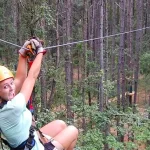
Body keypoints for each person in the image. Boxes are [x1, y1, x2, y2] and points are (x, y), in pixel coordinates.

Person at [0, 38, 78, 150]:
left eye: (11, 83)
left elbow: (20, 79)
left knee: (60, 124)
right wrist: (40, 52)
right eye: (5, 86)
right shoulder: (12, 108)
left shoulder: (4, 100)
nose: (12, 88)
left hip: (31, 140)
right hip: (33, 147)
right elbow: (31, 77)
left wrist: (23, 54)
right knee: (72, 131)